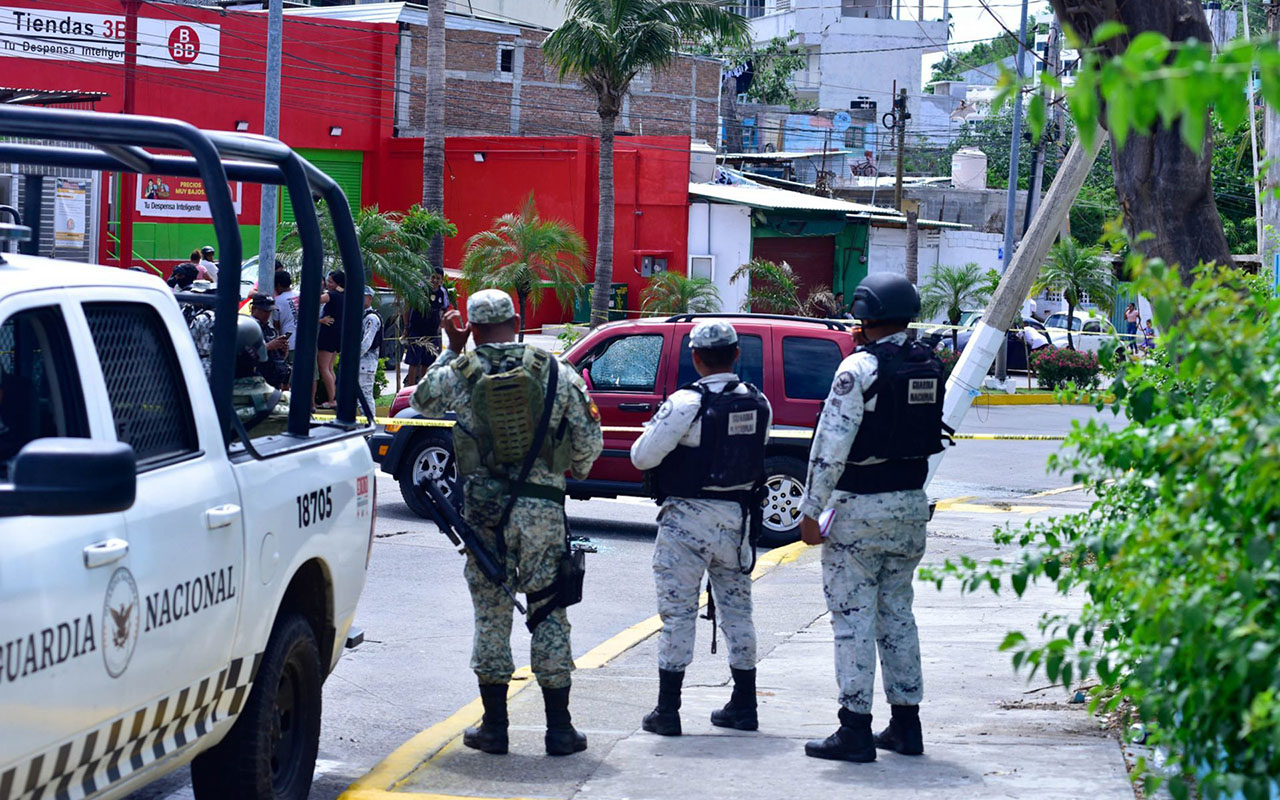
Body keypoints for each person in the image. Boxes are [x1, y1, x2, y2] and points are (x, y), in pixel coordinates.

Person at [411, 289, 603, 757]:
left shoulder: (461, 370)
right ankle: (560, 729)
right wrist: (569, 468)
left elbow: (421, 401)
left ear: (472, 326)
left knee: (492, 618)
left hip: (484, 515)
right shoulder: (557, 371)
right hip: (542, 515)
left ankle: (495, 728)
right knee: (548, 612)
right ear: (516, 321)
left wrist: (453, 348)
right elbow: (588, 444)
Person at [798, 272, 946, 763]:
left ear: (865, 313)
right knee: (898, 616)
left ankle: (854, 729)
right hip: (909, 506)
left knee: (853, 621)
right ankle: (906, 726)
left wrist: (809, 511)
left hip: (859, 509)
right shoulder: (929, 363)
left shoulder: (859, 369)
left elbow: (830, 446)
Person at [629, 320, 772, 737]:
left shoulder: (685, 403)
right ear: (736, 355)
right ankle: (745, 704)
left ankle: (667, 711)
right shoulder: (758, 402)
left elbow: (642, 457)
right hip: (738, 521)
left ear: (695, 356)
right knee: (739, 612)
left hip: (687, 521)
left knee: (678, 614)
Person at [404, 267, 451, 386]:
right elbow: (407, 306)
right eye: (433, 277)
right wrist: (406, 327)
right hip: (416, 330)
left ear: (441, 281)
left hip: (432, 333)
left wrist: (441, 324)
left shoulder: (442, 292)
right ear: (429, 277)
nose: (435, 280)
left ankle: (422, 387)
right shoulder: (420, 288)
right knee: (413, 362)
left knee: (427, 362)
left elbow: (445, 308)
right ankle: (409, 388)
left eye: (438, 278)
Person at [248, 293, 291, 390]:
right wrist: (269, 346)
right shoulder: (248, 327)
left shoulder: (269, 328)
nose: (267, 314)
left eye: (270, 311)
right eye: (264, 311)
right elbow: (245, 354)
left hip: (273, 378)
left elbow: (280, 358)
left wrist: (283, 349)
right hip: (256, 379)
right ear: (254, 309)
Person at [316, 270, 345, 410]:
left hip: (328, 334)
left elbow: (315, 299)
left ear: (337, 284)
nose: (328, 284)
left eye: (330, 282)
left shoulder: (332, 295)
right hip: (337, 334)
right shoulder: (344, 295)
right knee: (329, 368)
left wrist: (320, 320)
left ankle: (332, 399)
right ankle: (334, 397)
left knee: (323, 368)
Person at [358, 286, 383, 414]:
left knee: (365, 395)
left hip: (366, 363)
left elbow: (367, 342)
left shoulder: (372, 318)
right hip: (362, 362)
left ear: (370, 298)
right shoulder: (362, 315)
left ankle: (369, 426)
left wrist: (353, 357)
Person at [272, 268, 299, 368]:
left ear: (278, 285)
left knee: (290, 373)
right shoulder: (300, 294)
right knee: (311, 374)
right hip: (306, 340)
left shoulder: (278, 301)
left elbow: (276, 325)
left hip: (289, 343)